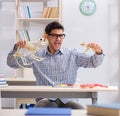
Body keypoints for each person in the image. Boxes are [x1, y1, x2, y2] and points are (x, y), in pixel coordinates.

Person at [7, 21, 104, 109]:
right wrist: (16, 48)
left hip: (69, 99)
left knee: (81, 110)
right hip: (46, 100)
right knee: (40, 109)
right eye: (54, 36)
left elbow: (93, 63)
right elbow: (11, 63)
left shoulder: (72, 55)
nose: (58, 39)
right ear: (47, 36)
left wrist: (98, 52)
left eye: (61, 36)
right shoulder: (37, 56)